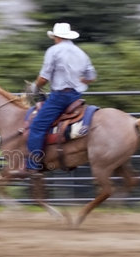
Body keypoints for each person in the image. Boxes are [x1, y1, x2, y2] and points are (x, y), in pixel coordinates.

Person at [25, 23, 96, 173]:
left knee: (37, 126)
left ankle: (33, 166)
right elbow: (91, 77)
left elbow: (44, 78)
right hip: (76, 96)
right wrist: (77, 79)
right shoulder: (81, 53)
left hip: (59, 97)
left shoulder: (53, 51)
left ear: (56, 37)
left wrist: (34, 88)